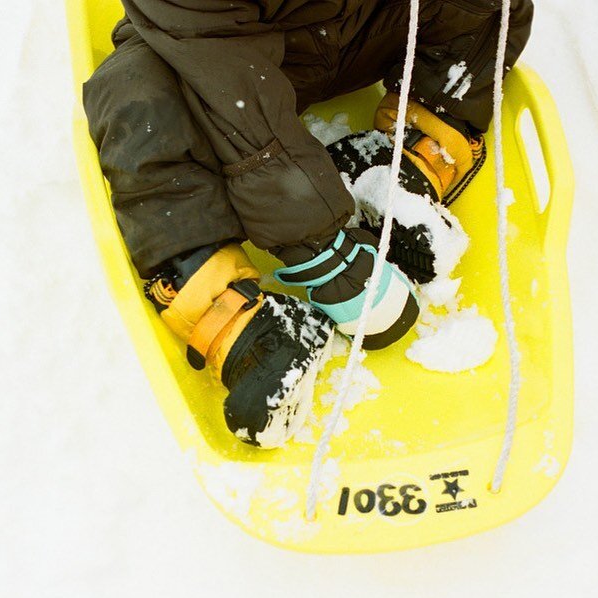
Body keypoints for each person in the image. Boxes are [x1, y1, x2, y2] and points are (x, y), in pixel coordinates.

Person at [83, 0, 534, 447]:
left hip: (353, 29)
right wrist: (320, 248)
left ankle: (404, 160)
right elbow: (235, 93)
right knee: (131, 93)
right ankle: (221, 306)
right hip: (221, 52)